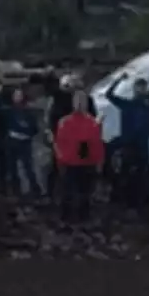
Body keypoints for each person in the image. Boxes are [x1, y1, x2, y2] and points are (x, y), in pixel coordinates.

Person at [104, 75, 149, 215]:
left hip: (141, 146)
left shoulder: (148, 106)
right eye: (138, 88)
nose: (140, 91)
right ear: (134, 89)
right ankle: (124, 201)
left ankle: (141, 203)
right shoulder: (127, 104)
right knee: (125, 174)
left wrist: (144, 137)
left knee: (142, 176)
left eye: (143, 88)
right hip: (128, 145)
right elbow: (109, 94)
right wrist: (118, 80)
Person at [54, 90, 104, 223]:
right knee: (68, 192)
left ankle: (82, 216)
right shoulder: (65, 122)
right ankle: (67, 216)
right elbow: (60, 142)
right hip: (70, 162)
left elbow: (97, 144)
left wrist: (98, 162)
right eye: (78, 101)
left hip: (85, 163)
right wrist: (60, 159)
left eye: (83, 101)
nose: (80, 104)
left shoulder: (92, 122)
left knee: (84, 192)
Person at [3, 86, 41, 197]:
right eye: (16, 95)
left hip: (25, 142)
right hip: (12, 141)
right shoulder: (9, 111)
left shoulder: (28, 111)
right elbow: (6, 125)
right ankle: (15, 190)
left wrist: (26, 131)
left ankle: (35, 189)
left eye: (19, 95)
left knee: (28, 167)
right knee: (12, 167)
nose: (17, 97)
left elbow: (34, 128)